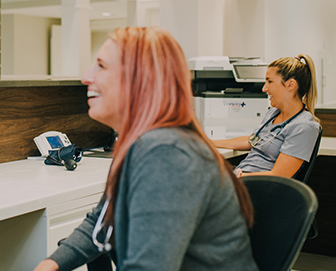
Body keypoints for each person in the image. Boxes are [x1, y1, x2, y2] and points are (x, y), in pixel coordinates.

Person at [34, 26, 257, 271]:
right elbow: (102, 220)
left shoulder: (168, 156)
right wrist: (51, 264)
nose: (86, 77)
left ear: (141, 81)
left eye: (101, 66)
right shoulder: (144, 145)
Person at [214, 55, 321, 178]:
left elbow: (279, 175)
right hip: (242, 178)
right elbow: (253, 141)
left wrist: (234, 177)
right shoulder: (274, 112)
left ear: (290, 85)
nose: (264, 88)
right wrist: (210, 143)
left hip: (260, 187)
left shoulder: (304, 127)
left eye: (270, 81)